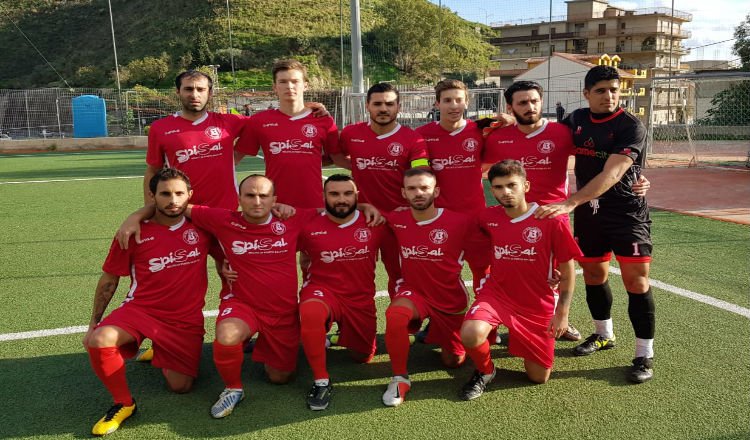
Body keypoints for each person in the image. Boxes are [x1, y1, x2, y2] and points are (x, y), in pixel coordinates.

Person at [535, 65, 656, 383]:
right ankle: (604, 334)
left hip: (626, 213)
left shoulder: (631, 126)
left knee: (636, 282)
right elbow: (543, 137)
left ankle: (644, 354)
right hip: (590, 214)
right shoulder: (575, 120)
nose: (609, 96)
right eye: (601, 90)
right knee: (593, 274)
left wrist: (570, 202)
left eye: (614, 90)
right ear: (586, 94)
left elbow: (613, 173)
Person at [84, 168, 210, 435]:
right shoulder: (132, 232)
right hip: (142, 310)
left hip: (184, 319)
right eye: (165, 194)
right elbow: (109, 279)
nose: (173, 200)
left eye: (179, 193)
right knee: (100, 340)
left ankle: (160, 349)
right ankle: (124, 403)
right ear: (152, 196)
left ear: (190, 195)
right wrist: (94, 322)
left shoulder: (203, 226)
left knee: (181, 387)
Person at [460, 160, 581, 400]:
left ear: (525, 186)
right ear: (492, 190)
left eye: (511, 185)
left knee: (538, 377)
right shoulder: (488, 217)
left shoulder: (551, 220)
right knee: (470, 333)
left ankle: (519, 336)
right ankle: (486, 370)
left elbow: (568, 273)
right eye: (498, 187)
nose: (505, 192)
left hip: (536, 303)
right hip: (497, 295)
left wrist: (562, 314)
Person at [381, 168, 487, 407]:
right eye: (412, 189)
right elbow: (366, 216)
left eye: (424, 188)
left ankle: (435, 332)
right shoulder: (396, 219)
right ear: (404, 193)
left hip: (449, 297)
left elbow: (493, 248)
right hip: (414, 292)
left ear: (436, 191)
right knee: (395, 315)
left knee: (453, 361)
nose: (418, 193)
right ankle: (399, 378)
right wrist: (365, 207)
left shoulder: (460, 222)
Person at [330, 82, 429, 297]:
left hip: (398, 218)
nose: (383, 109)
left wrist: (412, 206)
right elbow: (337, 156)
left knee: (400, 276)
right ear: (367, 106)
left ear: (398, 107)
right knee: (355, 275)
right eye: (377, 104)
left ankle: (401, 316)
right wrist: (356, 166)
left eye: (389, 104)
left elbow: (421, 174)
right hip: (361, 217)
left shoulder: (413, 138)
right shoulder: (351, 133)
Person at [296, 174, 384, 411]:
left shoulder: (375, 222)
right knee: (311, 312)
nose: (341, 199)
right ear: (324, 196)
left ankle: (332, 338)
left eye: (347, 194)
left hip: (359, 299)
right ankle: (321, 381)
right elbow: (270, 237)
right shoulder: (307, 223)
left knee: (362, 357)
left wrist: (366, 206)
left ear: (357, 196)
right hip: (322, 291)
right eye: (334, 194)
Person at [235, 59, 338, 210]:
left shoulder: (323, 120)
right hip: (274, 207)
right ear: (275, 87)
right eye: (283, 82)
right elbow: (234, 159)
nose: (289, 86)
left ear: (305, 85)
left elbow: (336, 158)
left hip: (314, 206)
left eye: (295, 81)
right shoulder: (259, 121)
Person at [415, 79, 489, 289]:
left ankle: (484, 310)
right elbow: (418, 173)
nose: (454, 106)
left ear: (467, 102)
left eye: (458, 100)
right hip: (439, 217)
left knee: (483, 272)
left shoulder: (481, 131)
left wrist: (507, 119)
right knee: (441, 275)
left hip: (475, 216)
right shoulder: (422, 135)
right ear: (437, 104)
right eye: (447, 100)